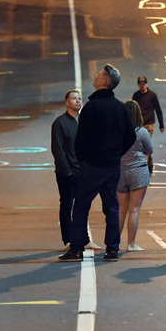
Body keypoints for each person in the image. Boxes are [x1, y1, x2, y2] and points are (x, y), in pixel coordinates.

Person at [59, 65, 137, 263]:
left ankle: (76, 248)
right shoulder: (120, 107)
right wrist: (116, 152)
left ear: (103, 81)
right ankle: (112, 249)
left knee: (81, 206)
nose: (95, 76)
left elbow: (82, 138)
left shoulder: (91, 107)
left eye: (99, 74)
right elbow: (130, 136)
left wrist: (82, 157)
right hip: (112, 165)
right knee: (111, 205)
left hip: (92, 165)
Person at [50, 89, 96, 249]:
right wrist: (67, 171)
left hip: (83, 171)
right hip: (66, 173)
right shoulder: (60, 123)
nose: (78, 101)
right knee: (66, 205)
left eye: (79, 99)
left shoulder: (82, 122)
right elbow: (57, 149)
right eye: (74, 99)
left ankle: (84, 239)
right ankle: (68, 240)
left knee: (83, 206)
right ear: (66, 102)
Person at [118, 100, 153, 251]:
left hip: (120, 170)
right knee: (134, 209)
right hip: (138, 170)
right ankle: (131, 244)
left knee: (120, 210)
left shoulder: (117, 131)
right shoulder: (141, 132)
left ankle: (114, 243)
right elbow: (150, 150)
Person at [132, 75, 164, 173]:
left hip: (149, 124)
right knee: (142, 145)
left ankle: (144, 169)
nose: (142, 86)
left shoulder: (152, 95)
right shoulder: (136, 96)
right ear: (138, 84)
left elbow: (158, 109)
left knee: (144, 145)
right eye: (140, 84)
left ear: (147, 84)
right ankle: (149, 165)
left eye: (144, 83)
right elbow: (132, 110)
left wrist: (161, 124)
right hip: (138, 124)